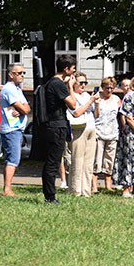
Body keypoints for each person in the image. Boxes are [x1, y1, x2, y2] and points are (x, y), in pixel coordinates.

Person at [40, 56, 77, 205]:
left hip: (54, 125)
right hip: (56, 127)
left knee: (52, 161)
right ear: (66, 69)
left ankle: (49, 195)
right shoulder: (57, 84)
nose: (74, 72)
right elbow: (73, 104)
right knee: (53, 163)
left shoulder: (52, 82)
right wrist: (71, 87)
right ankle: (50, 197)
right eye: (73, 69)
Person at [0, 63, 30, 197]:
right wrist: (22, 109)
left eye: (23, 73)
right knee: (13, 159)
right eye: (19, 73)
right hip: (12, 129)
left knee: (12, 159)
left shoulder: (17, 89)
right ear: (11, 74)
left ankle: (7, 188)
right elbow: (24, 109)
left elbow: (27, 107)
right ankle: (7, 189)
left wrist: (23, 110)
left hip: (16, 129)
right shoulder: (9, 89)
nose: (22, 75)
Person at [67, 73, 98, 198]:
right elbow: (76, 113)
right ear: (73, 83)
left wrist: (97, 102)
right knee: (77, 160)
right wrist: (91, 101)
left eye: (85, 82)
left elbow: (96, 115)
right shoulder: (71, 96)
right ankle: (75, 190)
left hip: (91, 128)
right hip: (78, 129)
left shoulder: (87, 95)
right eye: (80, 83)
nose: (83, 85)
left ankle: (86, 191)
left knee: (88, 162)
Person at [93, 77, 121, 193]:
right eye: (107, 88)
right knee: (97, 160)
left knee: (109, 160)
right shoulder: (97, 98)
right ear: (102, 88)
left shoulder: (116, 99)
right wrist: (97, 104)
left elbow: (120, 115)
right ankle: (94, 186)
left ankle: (108, 186)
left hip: (112, 133)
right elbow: (95, 115)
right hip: (99, 132)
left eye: (111, 88)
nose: (109, 90)